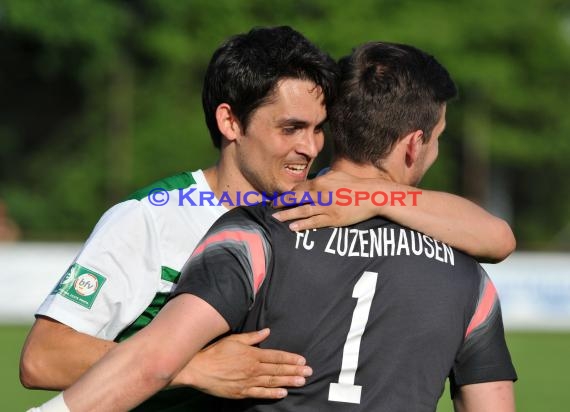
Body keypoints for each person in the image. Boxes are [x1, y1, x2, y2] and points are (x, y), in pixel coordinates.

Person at [31, 42, 516, 412]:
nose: (309, 147)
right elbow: (42, 359)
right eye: (290, 128)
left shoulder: (318, 206)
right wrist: (195, 368)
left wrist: (367, 195)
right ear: (231, 122)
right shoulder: (153, 218)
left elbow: (495, 237)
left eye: (319, 128)